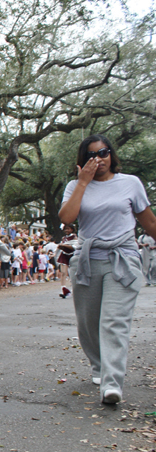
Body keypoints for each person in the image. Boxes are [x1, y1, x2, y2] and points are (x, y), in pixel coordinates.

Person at [59, 134, 156, 404]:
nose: (98, 159)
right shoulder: (75, 185)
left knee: (114, 321)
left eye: (103, 153)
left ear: (111, 155)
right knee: (88, 323)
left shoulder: (131, 184)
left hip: (122, 258)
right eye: (91, 155)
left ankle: (112, 384)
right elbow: (67, 218)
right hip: (88, 259)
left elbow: (148, 222)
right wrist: (83, 182)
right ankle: (99, 365)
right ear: (83, 161)